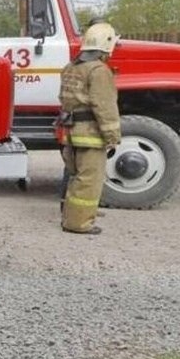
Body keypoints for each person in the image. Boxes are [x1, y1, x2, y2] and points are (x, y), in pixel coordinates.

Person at [58, 20, 122, 234]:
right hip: (91, 134)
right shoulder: (98, 70)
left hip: (71, 132)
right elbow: (104, 105)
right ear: (107, 45)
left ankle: (73, 215)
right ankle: (78, 223)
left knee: (76, 176)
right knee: (89, 180)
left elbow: (63, 99)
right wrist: (113, 136)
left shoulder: (71, 67)